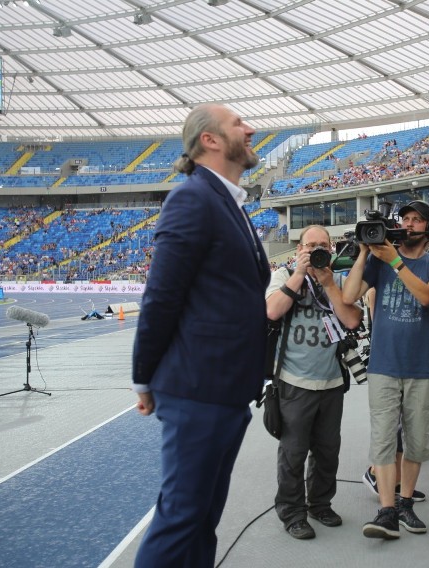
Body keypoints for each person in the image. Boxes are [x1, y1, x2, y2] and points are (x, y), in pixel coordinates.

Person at [131, 103, 270, 568]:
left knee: (201, 519)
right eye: (238, 124)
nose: (250, 129)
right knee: (181, 519)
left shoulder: (227, 201)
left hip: (225, 390)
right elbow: (161, 297)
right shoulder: (193, 198)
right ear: (210, 140)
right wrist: (143, 378)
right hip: (198, 390)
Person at [343, 200, 429, 540]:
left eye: (417, 220)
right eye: (405, 219)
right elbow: (348, 296)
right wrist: (363, 252)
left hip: (419, 366)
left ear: (428, 228)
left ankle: (406, 503)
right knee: (384, 439)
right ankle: (387, 509)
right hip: (383, 365)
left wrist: (395, 261)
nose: (410, 224)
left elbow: (425, 297)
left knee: (417, 441)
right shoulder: (379, 261)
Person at [265, 225, 362, 540]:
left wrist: (328, 283)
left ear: (331, 250)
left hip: (331, 381)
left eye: (323, 245)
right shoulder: (282, 276)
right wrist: (300, 273)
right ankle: (292, 513)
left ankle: (320, 504)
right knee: (293, 452)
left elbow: (351, 320)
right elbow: (272, 311)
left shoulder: (340, 280)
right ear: (299, 250)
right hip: (294, 381)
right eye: (311, 245)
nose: (318, 249)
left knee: (328, 451)